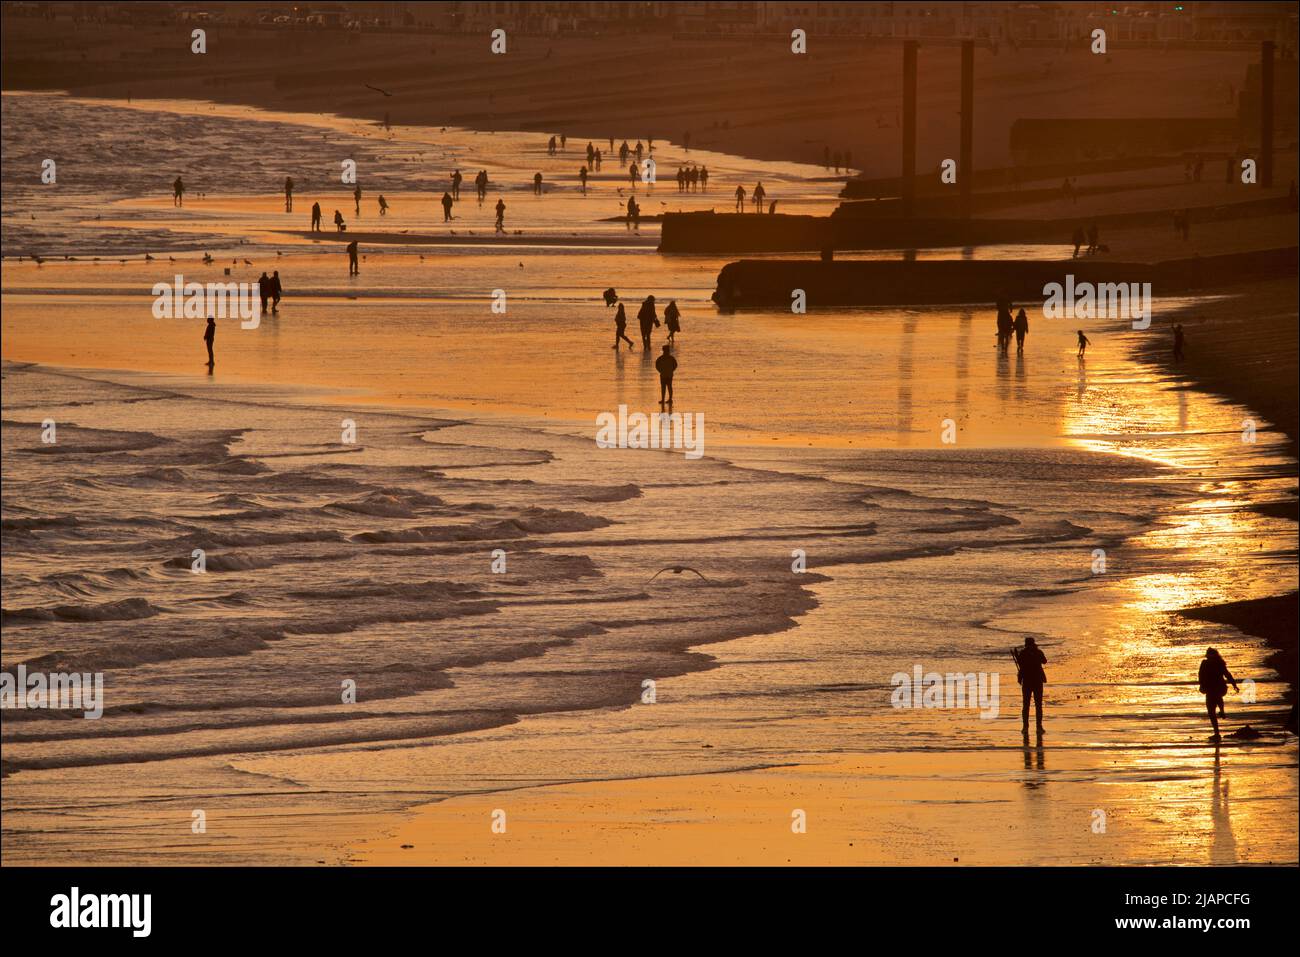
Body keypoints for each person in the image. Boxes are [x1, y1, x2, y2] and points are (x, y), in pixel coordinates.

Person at [1198, 648, 1239, 741]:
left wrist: (1202, 685)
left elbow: (1200, 675)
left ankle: (1217, 733)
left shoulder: (1206, 663)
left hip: (1211, 688)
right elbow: (1227, 674)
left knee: (1211, 712)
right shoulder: (1219, 663)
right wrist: (1234, 685)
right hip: (1220, 687)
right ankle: (1222, 711)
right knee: (1217, 700)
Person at [1014, 636, 1047, 734]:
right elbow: (1044, 661)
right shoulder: (1037, 652)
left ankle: (1026, 727)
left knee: (1026, 705)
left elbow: (1020, 664)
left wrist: (1017, 656)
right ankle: (1038, 727)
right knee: (1038, 705)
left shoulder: (1023, 653)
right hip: (1037, 681)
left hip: (1028, 681)